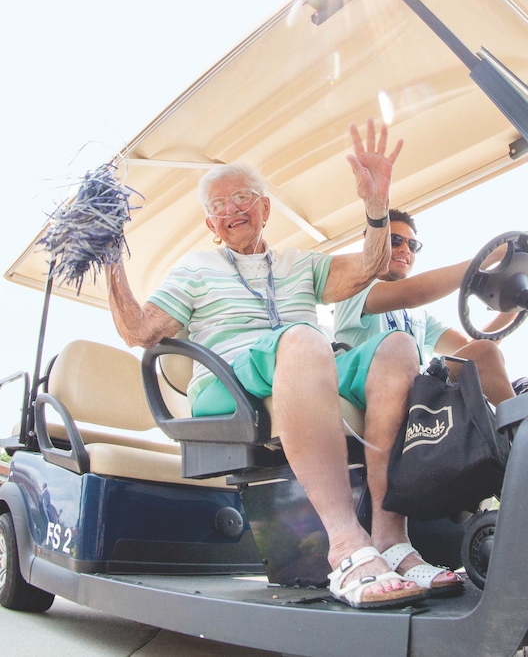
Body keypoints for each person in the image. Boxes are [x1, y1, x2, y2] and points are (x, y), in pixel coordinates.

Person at [106, 119, 463, 609]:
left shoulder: (301, 263)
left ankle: (388, 536)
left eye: (242, 198)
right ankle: (345, 545)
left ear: (264, 208)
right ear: (210, 225)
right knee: (301, 339)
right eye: (217, 206)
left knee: (398, 346)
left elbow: (366, 270)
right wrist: (108, 257)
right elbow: (140, 331)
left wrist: (376, 206)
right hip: (229, 381)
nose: (231, 210)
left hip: (305, 362)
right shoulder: (194, 269)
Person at [334, 209, 528, 406]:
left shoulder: (419, 316)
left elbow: (476, 348)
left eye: (412, 245)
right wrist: (495, 255)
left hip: (425, 395)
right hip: (386, 399)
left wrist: (522, 297)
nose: (405, 249)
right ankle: (521, 443)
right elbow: (414, 293)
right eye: (396, 240)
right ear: (372, 244)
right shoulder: (354, 288)